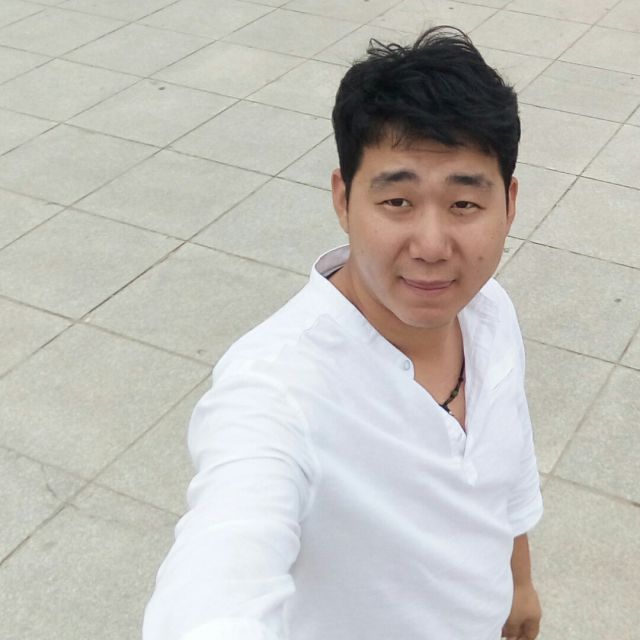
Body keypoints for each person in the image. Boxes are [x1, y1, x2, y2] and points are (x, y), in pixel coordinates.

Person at [143, 25, 543, 640]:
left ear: (509, 204)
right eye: (397, 202)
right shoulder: (276, 389)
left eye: (464, 204)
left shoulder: (489, 312)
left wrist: (518, 582)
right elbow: (221, 563)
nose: (432, 246)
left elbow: (506, 467)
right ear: (343, 198)